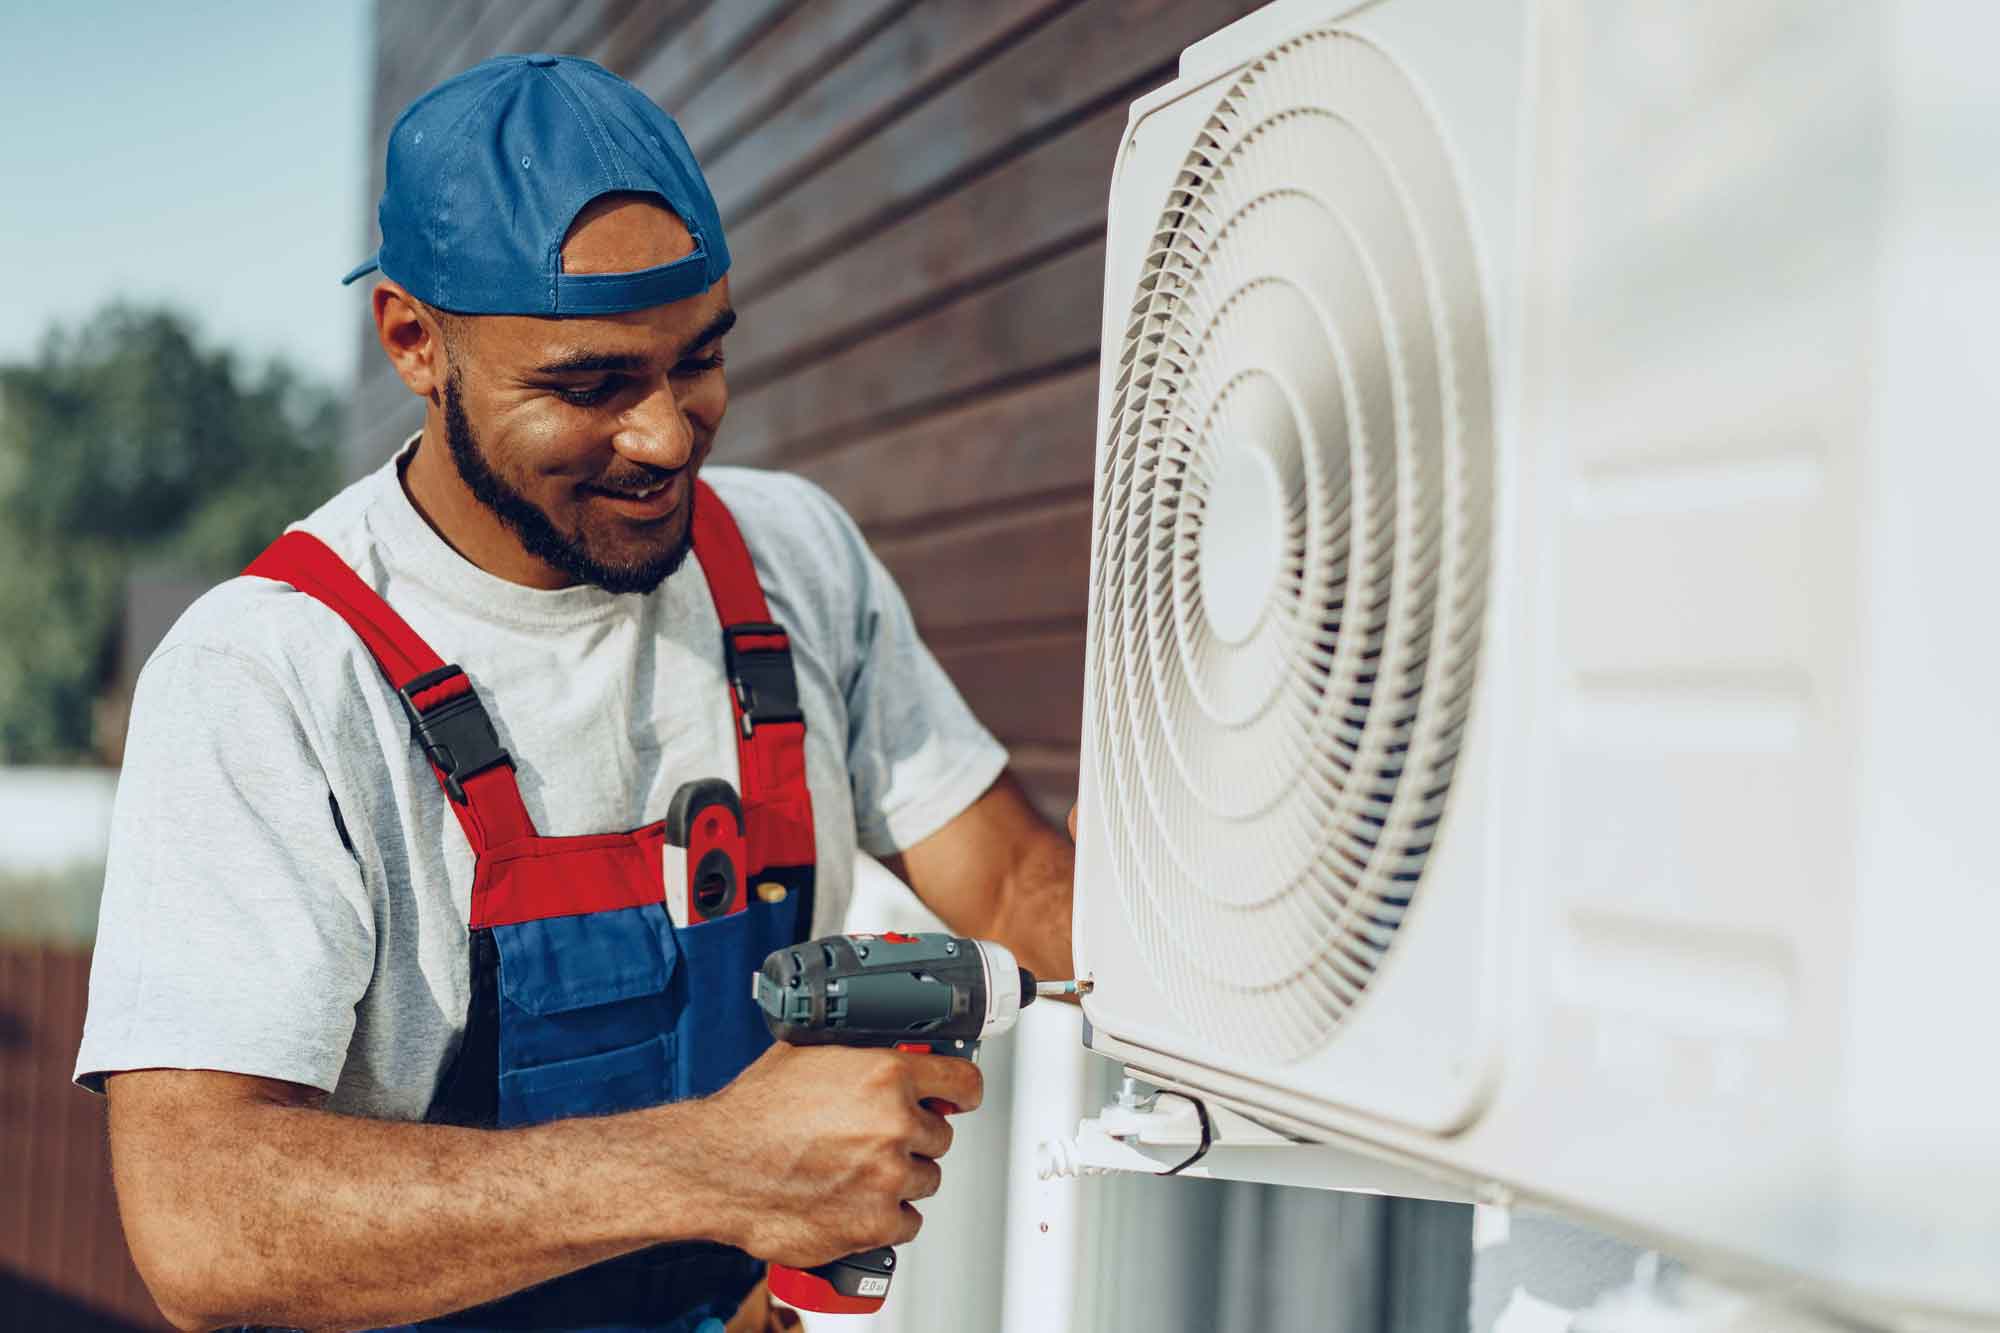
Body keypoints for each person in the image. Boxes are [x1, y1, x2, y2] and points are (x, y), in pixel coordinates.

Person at [74, 54, 1078, 1333]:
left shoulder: (790, 560)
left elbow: (1005, 883)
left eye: (699, 360)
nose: (665, 437)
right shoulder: (272, 675)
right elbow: (200, 1220)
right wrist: (721, 1164)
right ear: (414, 341)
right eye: (590, 385)